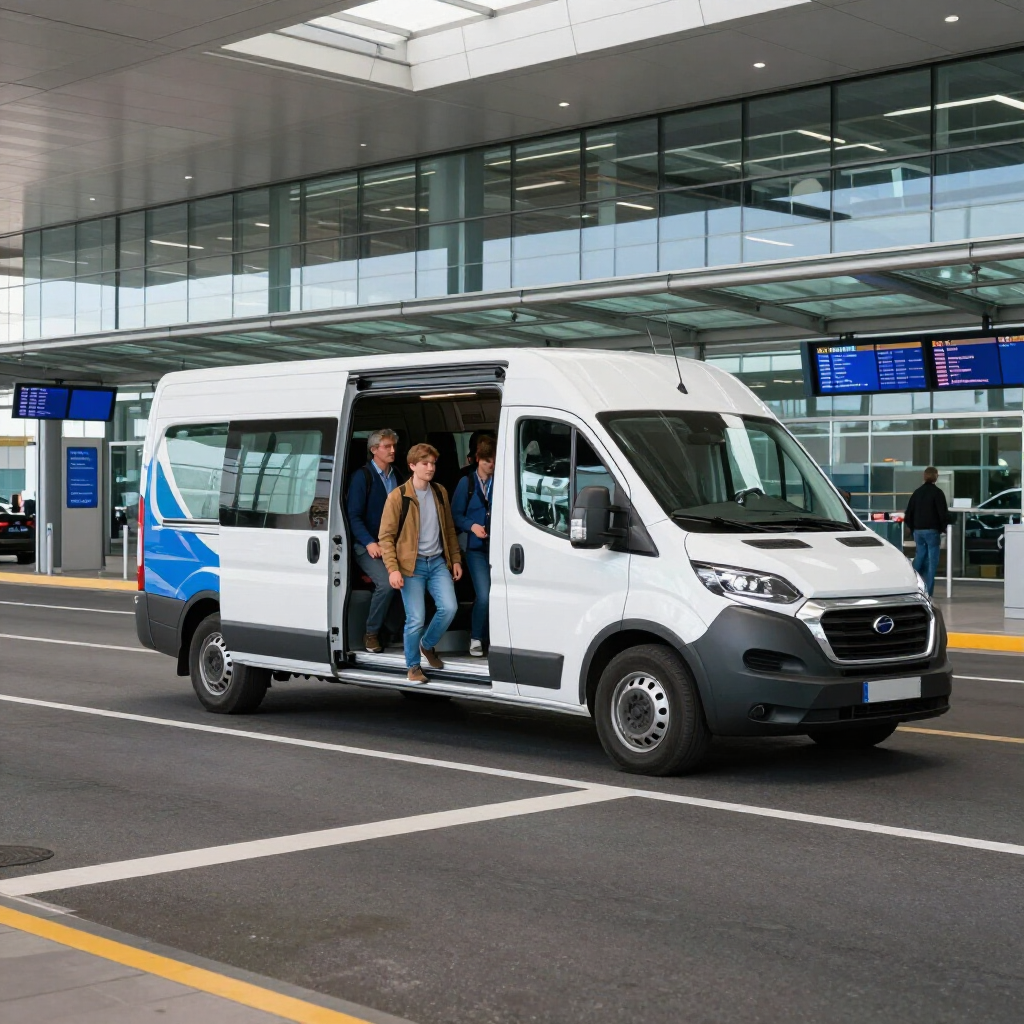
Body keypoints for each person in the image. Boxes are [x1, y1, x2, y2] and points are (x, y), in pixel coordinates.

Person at [378, 443, 463, 683]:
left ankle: (427, 644)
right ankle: (413, 667)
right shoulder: (398, 497)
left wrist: (455, 558)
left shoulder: (440, 492)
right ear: (412, 466)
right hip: (410, 566)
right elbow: (385, 537)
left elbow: (448, 528)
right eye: (425, 463)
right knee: (415, 618)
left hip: (436, 562)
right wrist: (392, 569)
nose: (430, 468)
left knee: (449, 607)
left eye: (433, 463)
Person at [346, 429, 403, 654]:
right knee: (387, 583)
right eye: (387, 446)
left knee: (412, 579)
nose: (392, 450)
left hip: (393, 545)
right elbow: (353, 515)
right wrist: (369, 542)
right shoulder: (363, 476)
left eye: (393, 446)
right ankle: (371, 632)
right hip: (365, 545)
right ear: (373, 450)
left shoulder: (397, 474)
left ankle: (395, 629)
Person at [452, 435, 494, 657]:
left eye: (494, 460)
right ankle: (476, 637)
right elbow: (455, 516)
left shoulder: (501, 481)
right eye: (487, 460)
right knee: (485, 594)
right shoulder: (466, 483)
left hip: (499, 548)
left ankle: (493, 637)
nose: (491, 465)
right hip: (475, 548)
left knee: (500, 595)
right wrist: (472, 526)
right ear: (478, 459)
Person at [904, 466, 951, 597]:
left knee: (920, 556)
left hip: (918, 531)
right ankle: (928, 592)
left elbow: (909, 513)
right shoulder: (937, 493)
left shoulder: (917, 492)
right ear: (936, 476)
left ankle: (911, 584)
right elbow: (942, 513)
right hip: (932, 530)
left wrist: (912, 528)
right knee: (932, 562)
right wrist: (944, 527)